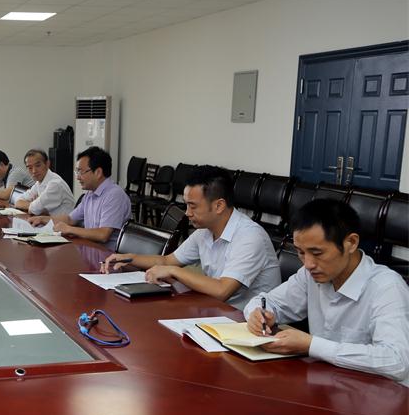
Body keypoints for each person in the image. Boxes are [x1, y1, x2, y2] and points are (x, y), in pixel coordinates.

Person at [243, 199, 409, 385]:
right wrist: (258, 314)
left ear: (351, 243)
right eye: (301, 252)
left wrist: (311, 345)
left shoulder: (387, 287)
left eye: (317, 253)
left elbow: (397, 361)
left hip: (376, 394)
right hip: (325, 383)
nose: (308, 264)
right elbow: (269, 302)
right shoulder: (310, 274)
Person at [101, 165, 280, 309]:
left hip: (249, 324)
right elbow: (167, 260)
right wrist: (129, 258)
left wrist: (175, 272)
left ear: (218, 206)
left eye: (193, 206)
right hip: (217, 311)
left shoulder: (249, 237)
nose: (187, 213)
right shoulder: (205, 231)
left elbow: (222, 290)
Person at [28, 146, 130, 251]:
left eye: (81, 172)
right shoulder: (90, 194)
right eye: (77, 172)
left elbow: (103, 234)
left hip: (107, 255)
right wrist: (42, 219)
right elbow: (70, 219)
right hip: (91, 249)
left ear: (98, 172)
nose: (77, 177)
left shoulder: (114, 195)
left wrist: (70, 229)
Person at [13, 149, 74, 217]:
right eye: (30, 168)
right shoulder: (39, 182)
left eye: (38, 165)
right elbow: (17, 201)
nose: (34, 171)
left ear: (47, 164)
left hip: (63, 223)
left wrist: (33, 206)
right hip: (48, 221)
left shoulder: (55, 184)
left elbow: (35, 209)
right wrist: (33, 205)